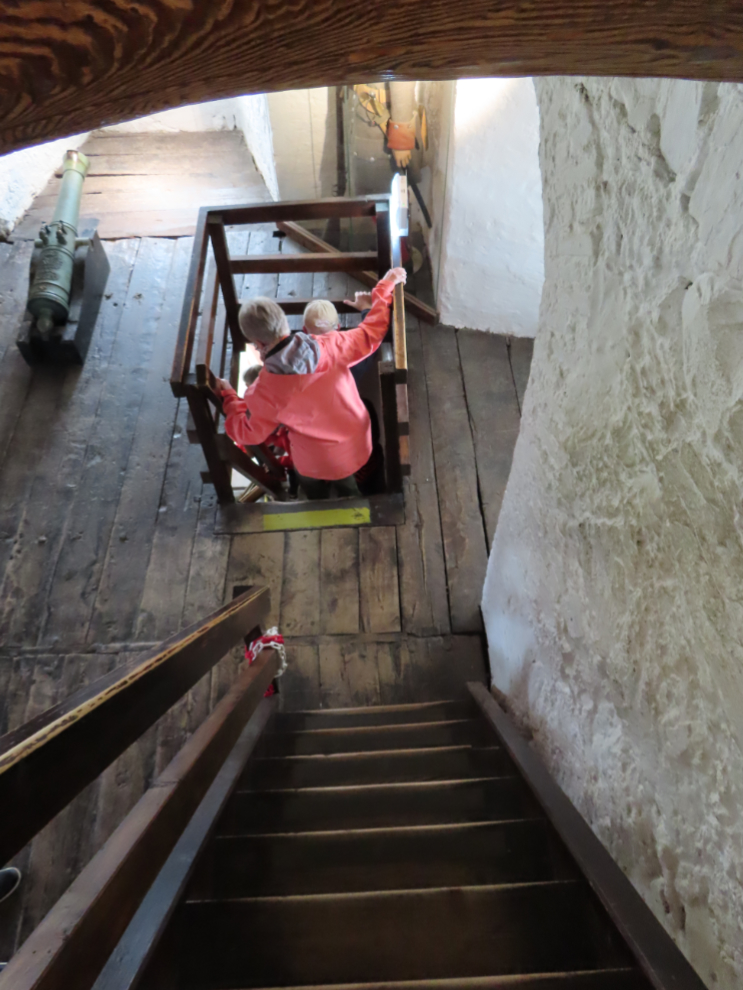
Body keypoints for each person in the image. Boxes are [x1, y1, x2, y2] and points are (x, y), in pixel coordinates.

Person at [215, 267, 406, 500]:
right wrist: (384, 286)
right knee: (349, 486)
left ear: (258, 343)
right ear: (285, 323)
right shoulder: (332, 345)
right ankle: (352, 499)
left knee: (311, 486)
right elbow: (373, 332)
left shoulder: (263, 391)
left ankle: (317, 501)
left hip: (313, 462)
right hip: (355, 450)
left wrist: (230, 398)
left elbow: (247, 433)